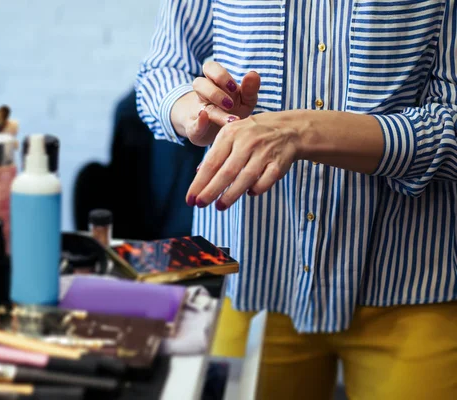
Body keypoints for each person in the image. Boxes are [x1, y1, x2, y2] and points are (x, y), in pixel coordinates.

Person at [135, 1, 457, 399]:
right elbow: (162, 70)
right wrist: (198, 115)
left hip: (411, 286)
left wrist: (304, 131)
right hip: (249, 281)